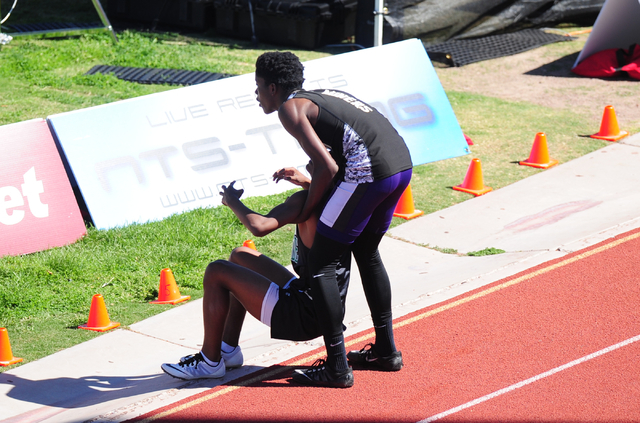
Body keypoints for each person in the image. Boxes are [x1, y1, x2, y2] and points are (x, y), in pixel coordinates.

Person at [254, 52, 413, 388]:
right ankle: (386, 350)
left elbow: (328, 168)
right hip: (399, 166)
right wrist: (311, 185)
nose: (256, 96)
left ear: (272, 87)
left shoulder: (289, 109)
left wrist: (309, 206)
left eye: (257, 88)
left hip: (370, 171)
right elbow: (333, 161)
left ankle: (337, 368)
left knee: (320, 263)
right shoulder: (320, 97)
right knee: (367, 253)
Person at [161, 164, 351, 380]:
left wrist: (232, 200)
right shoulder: (341, 201)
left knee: (217, 271)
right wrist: (309, 182)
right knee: (241, 256)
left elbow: (259, 226)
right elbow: (329, 185)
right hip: (323, 305)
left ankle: (209, 362)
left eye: (315, 157)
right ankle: (227, 349)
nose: (308, 161)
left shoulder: (304, 201)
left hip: (303, 315)